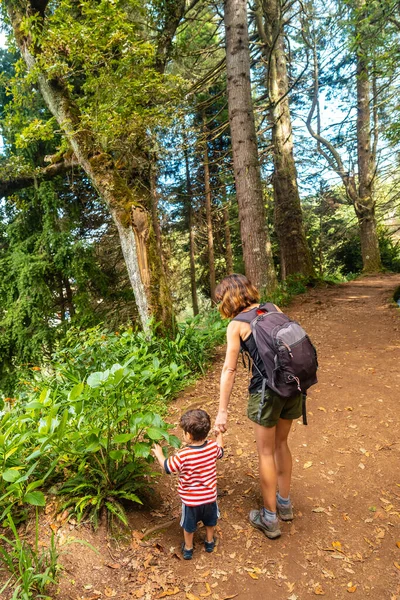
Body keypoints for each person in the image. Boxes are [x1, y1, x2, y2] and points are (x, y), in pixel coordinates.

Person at [214, 274, 302, 539]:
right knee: (281, 444)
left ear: (228, 299)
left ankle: (270, 518)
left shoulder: (236, 325)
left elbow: (229, 370)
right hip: (292, 385)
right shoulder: (273, 309)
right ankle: (284, 504)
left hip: (266, 392)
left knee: (265, 452)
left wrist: (222, 410)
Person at [152, 408, 224, 559]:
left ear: (189, 436)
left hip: (191, 501)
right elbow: (221, 451)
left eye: (184, 432)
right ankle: (209, 542)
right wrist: (220, 435)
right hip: (210, 498)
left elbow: (167, 467)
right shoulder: (212, 447)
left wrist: (159, 454)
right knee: (210, 521)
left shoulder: (183, 455)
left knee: (189, 526)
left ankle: (189, 548)